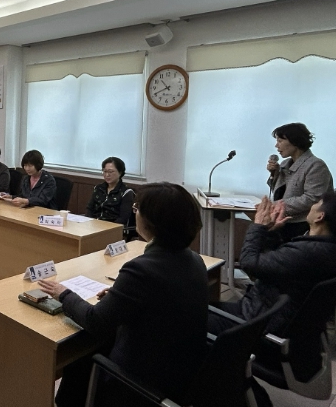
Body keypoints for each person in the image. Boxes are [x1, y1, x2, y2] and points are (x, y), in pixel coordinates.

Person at [38, 183, 208, 407]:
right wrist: (122, 296)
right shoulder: (195, 259)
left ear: (152, 222)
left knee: (79, 359)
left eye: (137, 209)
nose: (134, 213)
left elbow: (96, 321)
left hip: (141, 382)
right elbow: (163, 299)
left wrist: (64, 294)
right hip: (183, 371)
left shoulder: (140, 269)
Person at [208, 195, 336, 336]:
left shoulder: (307, 252)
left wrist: (258, 226)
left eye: (318, 202)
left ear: (320, 217)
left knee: (192, 315)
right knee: (202, 306)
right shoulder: (325, 248)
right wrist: (271, 231)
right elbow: (276, 263)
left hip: (256, 323)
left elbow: (249, 263)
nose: (312, 205)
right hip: (270, 315)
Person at [267, 123, 333, 241]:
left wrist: (277, 206)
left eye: (280, 141)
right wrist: (274, 174)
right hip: (283, 222)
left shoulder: (316, 165)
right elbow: (279, 191)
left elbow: (312, 198)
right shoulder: (284, 164)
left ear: (295, 141)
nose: (276, 146)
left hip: (303, 226)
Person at [85, 156, 135, 224]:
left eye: (111, 172)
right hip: (94, 224)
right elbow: (89, 209)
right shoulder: (98, 188)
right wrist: (89, 222)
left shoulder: (126, 192)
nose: (107, 175)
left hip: (113, 227)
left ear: (120, 172)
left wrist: (108, 227)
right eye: (105, 171)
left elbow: (123, 218)